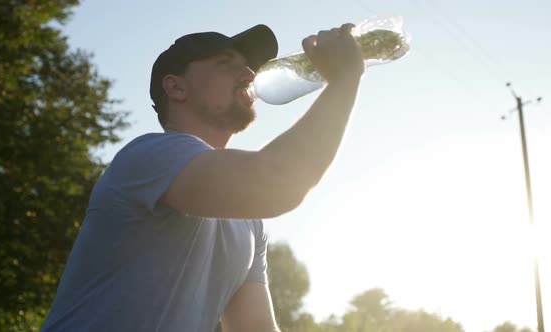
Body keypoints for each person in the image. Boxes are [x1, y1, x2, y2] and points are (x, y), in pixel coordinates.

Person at [41, 22, 364, 332]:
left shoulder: (248, 221)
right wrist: (344, 79)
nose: (250, 74)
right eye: (226, 63)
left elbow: (254, 328)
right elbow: (277, 180)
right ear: (176, 87)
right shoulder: (149, 155)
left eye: (249, 66)